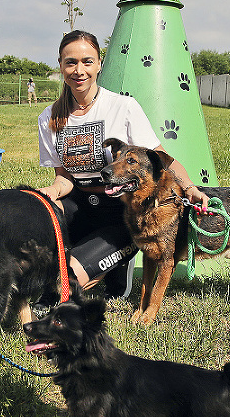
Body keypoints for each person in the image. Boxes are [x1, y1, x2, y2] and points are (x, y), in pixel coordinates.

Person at [38, 30, 208, 297]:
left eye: (87, 61)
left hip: (124, 212)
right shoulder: (49, 117)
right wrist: (50, 193)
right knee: (39, 259)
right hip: (80, 204)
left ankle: (114, 264)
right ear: (60, 65)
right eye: (70, 62)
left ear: (99, 64)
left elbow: (160, 159)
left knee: (64, 282)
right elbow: (64, 178)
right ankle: (95, 259)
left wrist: (189, 187)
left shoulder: (123, 107)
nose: (79, 70)